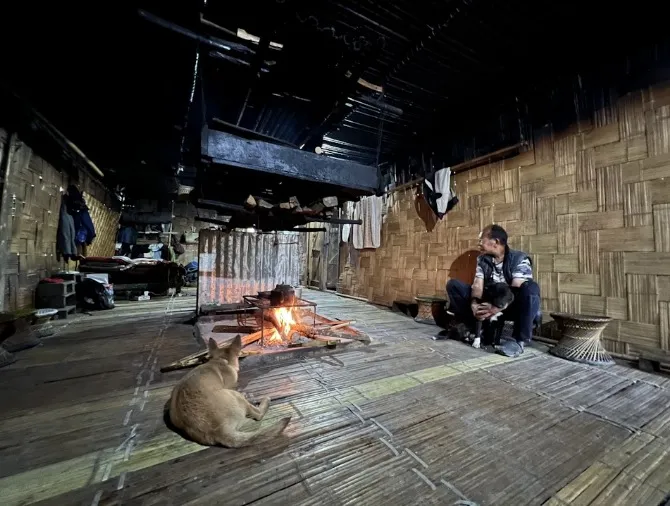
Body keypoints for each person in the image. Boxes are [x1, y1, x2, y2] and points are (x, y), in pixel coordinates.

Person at [446, 224, 541, 357]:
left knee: (531, 288)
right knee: (454, 285)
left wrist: (496, 307)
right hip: (488, 302)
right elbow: (478, 286)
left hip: (510, 306)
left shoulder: (520, 259)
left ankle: (519, 341)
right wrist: (474, 304)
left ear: (495, 242)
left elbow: (515, 290)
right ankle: (472, 326)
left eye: (482, 239)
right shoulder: (482, 259)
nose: (479, 243)